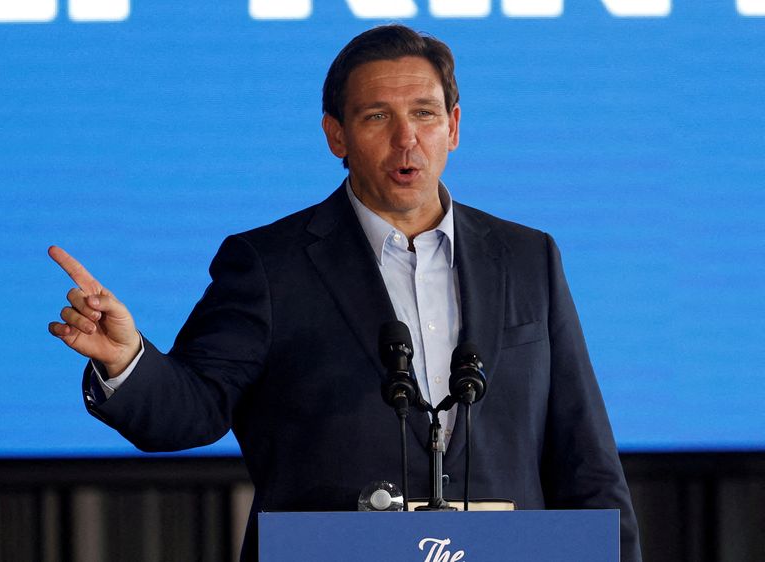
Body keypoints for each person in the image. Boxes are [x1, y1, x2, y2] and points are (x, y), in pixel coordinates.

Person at [49, 24, 642, 562]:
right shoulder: (269, 264)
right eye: (377, 117)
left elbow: (584, 454)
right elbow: (192, 410)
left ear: (454, 127)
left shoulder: (525, 256)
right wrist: (126, 361)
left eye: (425, 114)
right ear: (337, 135)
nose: (407, 139)